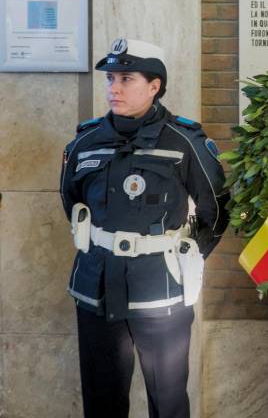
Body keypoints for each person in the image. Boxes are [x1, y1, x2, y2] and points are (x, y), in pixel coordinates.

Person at [59, 38, 229, 418]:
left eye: (125, 78)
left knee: (167, 403)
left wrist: (185, 257)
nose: (113, 88)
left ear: (154, 86)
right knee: (101, 400)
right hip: (96, 283)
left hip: (160, 289)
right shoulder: (85, 140)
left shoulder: (185, 141)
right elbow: (70, 199)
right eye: (110, 79)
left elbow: (215, 208)